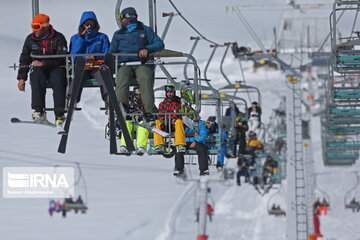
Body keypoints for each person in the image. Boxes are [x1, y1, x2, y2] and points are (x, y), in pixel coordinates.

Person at [109, 7, 165, 123]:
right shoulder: (119, 34)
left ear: (128, 17)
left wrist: (147, 49)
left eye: (121, 17)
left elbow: (159, 44)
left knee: (145, 77)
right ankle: (122, 106)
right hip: (125, 64)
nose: (120, 20)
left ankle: (149, 111)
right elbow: (111, 51)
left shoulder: (145, 30)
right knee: (122, 79)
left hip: (141, 63)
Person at [17, 14, 68, 127]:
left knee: (59, 78)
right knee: (35, 74)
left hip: (56, 67)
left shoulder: (58, 37)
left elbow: (62, 57)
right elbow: (25, 58)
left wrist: (44, 63)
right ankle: (39, 111)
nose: (34, 30)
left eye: (36, 27)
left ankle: (59, 114)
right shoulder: (30, 39)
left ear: (44, 27)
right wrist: (21, 78)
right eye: (33, 27)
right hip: (40, 69)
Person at [69, 11, 110, 102]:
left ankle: (108, 97)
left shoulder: (102, 37)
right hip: (82, 66)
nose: (89, 26)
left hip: (97, 66)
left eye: (91, 23)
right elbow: (72, 57)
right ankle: (72, 98)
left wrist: (96, 58)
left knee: (104, 74)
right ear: (82, 24)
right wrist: (81, 39)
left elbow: (107, 54)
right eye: (86, 23)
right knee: (78, 75)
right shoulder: (76, 38)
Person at [154, 84, 186, 153]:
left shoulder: (179, 103)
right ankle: (159, 144)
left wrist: (173, 118)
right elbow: (160, 115)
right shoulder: (162, 104)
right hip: (165, 124)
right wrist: (167, 119)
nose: (170, 94)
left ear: (174, 92)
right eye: (168, 92)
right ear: (166, 93)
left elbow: (181, 114)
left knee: (179, 121)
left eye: (171, 92)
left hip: (175, 124)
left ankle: (180, 144)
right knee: (157, 122)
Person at [119, 86, 149, 155]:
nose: (139, 94)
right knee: (127, 124)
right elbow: (122, 111)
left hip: (141, 122)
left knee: (143, 125)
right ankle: (124, 145)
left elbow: (153, 111)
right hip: (131, 122)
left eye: (141, 92)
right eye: (137, 91)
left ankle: (141, 147)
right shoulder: (129, 102)